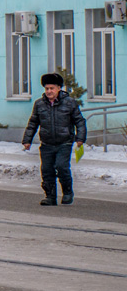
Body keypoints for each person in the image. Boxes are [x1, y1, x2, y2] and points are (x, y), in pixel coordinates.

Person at [22, 72, 87, 206]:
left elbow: (79, 121)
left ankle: (67, 191)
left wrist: (80, 138)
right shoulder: (39, 104)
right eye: (47, 89)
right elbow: (33, 123)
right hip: (46, 143)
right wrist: (27, 140)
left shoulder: (69, 103)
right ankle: (50, 196)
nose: (49, 91)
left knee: (61, 166)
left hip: (64, 142)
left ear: (59, 88)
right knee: (46, 170)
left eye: (52, 88)